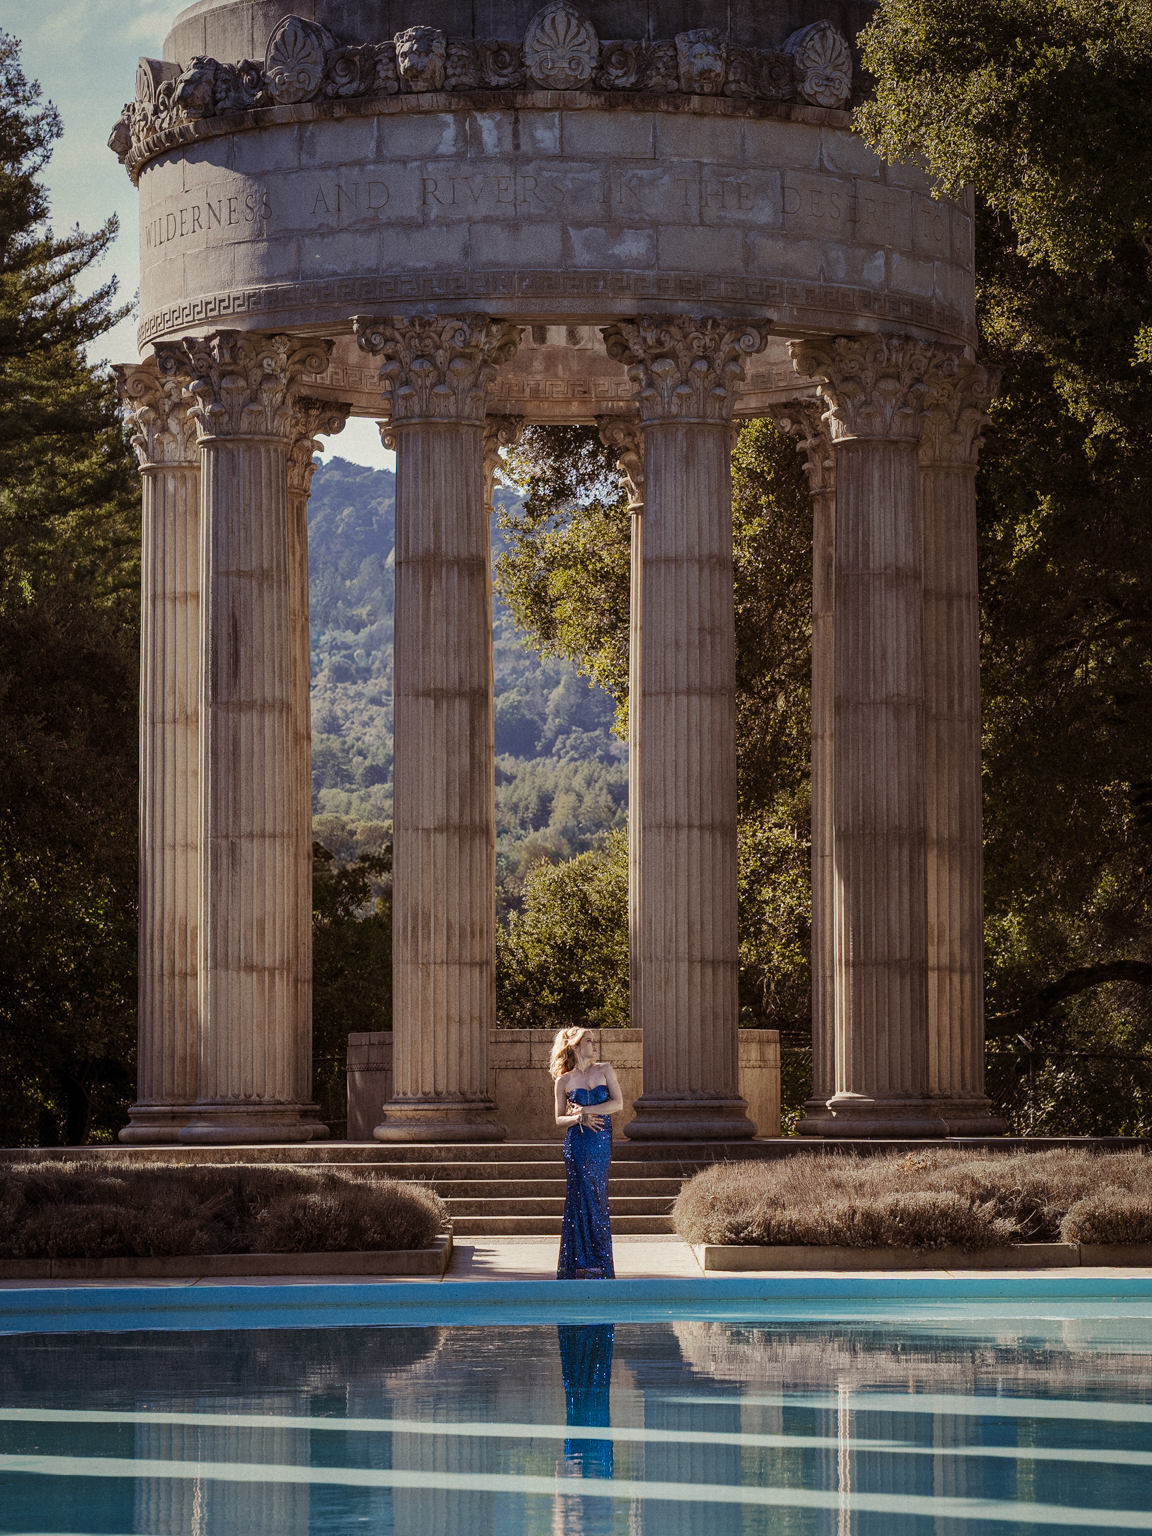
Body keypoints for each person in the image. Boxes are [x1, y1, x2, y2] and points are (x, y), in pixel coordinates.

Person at [551, 1026, 623, 1280]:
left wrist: (589, 1111)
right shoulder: (564, 1080)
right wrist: (579, 1119)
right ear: (575, 1045)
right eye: (588, 1041)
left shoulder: (604, 1069)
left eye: (594, 1040)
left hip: (600, 1144)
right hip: (578, 1145)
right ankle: (578, 1265)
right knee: (578, 1200)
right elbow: (559, 1118)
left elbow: (618, 1103)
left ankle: (600, 1265)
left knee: (597, 1196)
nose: (594, 1044)